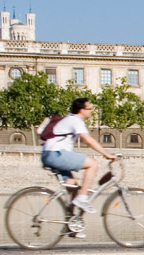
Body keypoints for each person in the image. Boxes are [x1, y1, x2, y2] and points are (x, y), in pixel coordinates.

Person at [39, 97, 116, 229]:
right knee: (92, 164)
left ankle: (72, 225)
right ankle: (83, 198)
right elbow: (89, 140)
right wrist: (107, 154)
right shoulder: (76, 120)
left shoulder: (69, 118)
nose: (91, 111)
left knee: (73, 189)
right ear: (82, 110)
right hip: (55, 154)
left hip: (50, 154)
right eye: (89, 108)